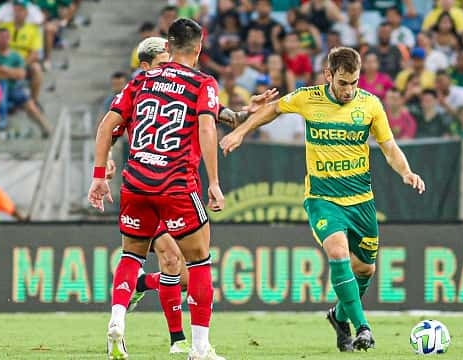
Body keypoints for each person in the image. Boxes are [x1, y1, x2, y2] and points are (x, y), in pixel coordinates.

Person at [220, 46, 425, 353]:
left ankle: (339, 316)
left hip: (361, 201)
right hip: (322, 198)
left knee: (365, 270)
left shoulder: (370, 105)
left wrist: (406, 172)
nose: (349, 89)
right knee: (339, 255)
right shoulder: (308, 98)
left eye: (354, 82)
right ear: (328, 75)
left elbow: (389, 146)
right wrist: (241, 131)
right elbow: (273, 108)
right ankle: (363, 327)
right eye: (343, 82)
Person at [87, 18, 226, 360]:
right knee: (198, 261)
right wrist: (215, 183)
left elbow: (108, 124)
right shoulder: (203, 82)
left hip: (135, 183)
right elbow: (208, 129)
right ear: (199, 46)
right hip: (175, 183)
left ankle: (117, 321)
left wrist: (99, 175)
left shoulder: (142, 80)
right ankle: (199, 347)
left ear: (168, 45)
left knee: (131, 255)